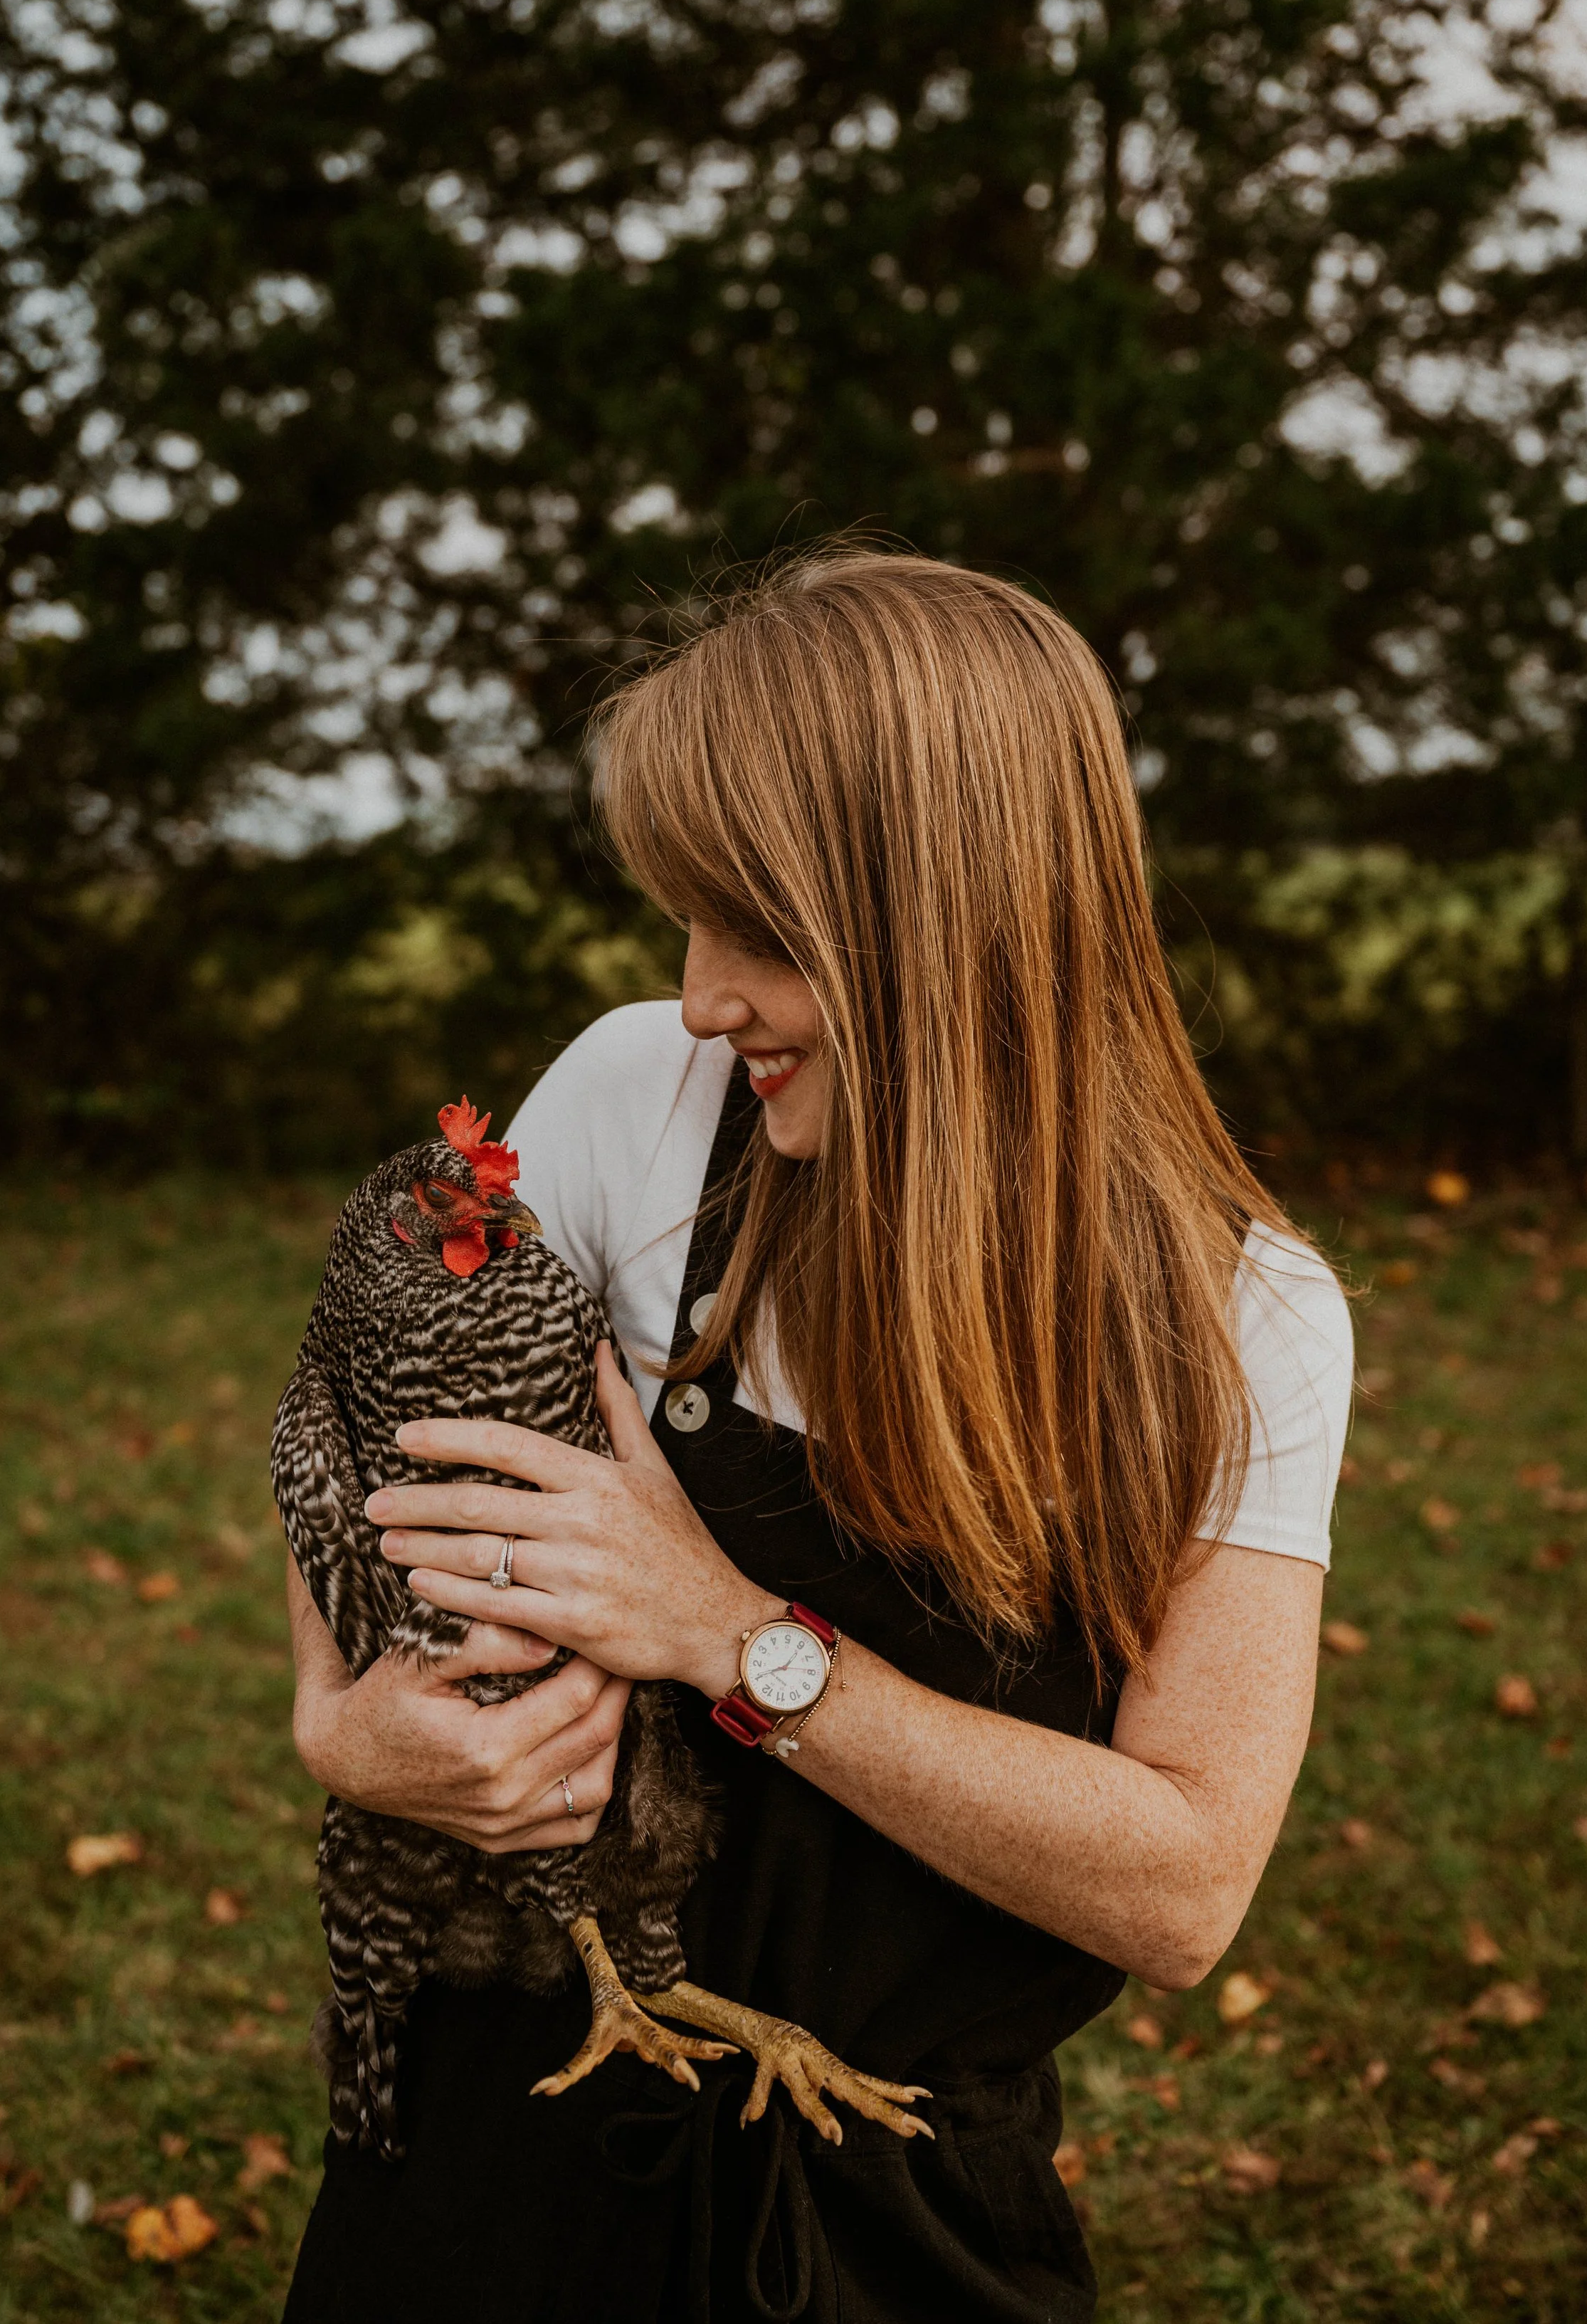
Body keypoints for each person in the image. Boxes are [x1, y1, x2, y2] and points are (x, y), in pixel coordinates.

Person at [281, 549, 1354, 2324]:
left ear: (947, 918)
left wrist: (724, 1634)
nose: (700, 998)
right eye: (682, 925)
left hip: (901, 2207)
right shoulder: (641, 1103)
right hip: (514, 2119)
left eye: (753, 931)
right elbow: (358, 1415)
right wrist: (343, 1724)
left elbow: (1181, 1891)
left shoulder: (1237, 1326)